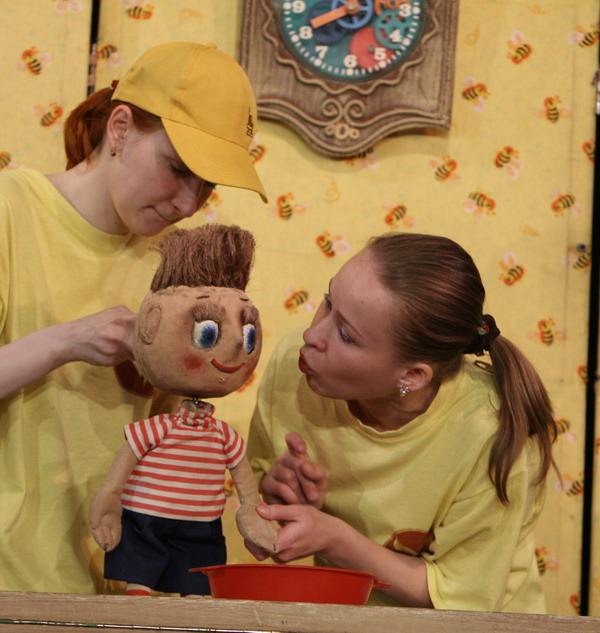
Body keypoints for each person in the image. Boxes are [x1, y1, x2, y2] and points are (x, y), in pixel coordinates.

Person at [0, 41, 267, 594]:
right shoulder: (10, 210)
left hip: (117, 596)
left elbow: (164, 448)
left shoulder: (169, 269)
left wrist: (262, 482)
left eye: (207, 184)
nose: (188, 204)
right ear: (119, 129)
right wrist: (63, 342)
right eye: (178, 169)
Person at [246, 232, 557, 613]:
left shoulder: (492, 433)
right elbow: (261, 484)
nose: (312, 335)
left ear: (412, 376)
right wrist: (279, 492)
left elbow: (461, 600)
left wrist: (334, 540)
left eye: (345, 335)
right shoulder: (293, 366)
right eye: (328, 302)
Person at [89, 225, 277, 597]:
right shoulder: (157, 428)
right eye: (208, 334)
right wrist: (109, 496)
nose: (236, 346)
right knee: (139, 585)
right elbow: (123, 467)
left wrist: (251, 512)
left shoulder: (223, 436)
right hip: (145, 520)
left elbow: (246, 489)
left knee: (196, 589)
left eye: (248, 335)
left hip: (201, 526)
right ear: (149, 327)